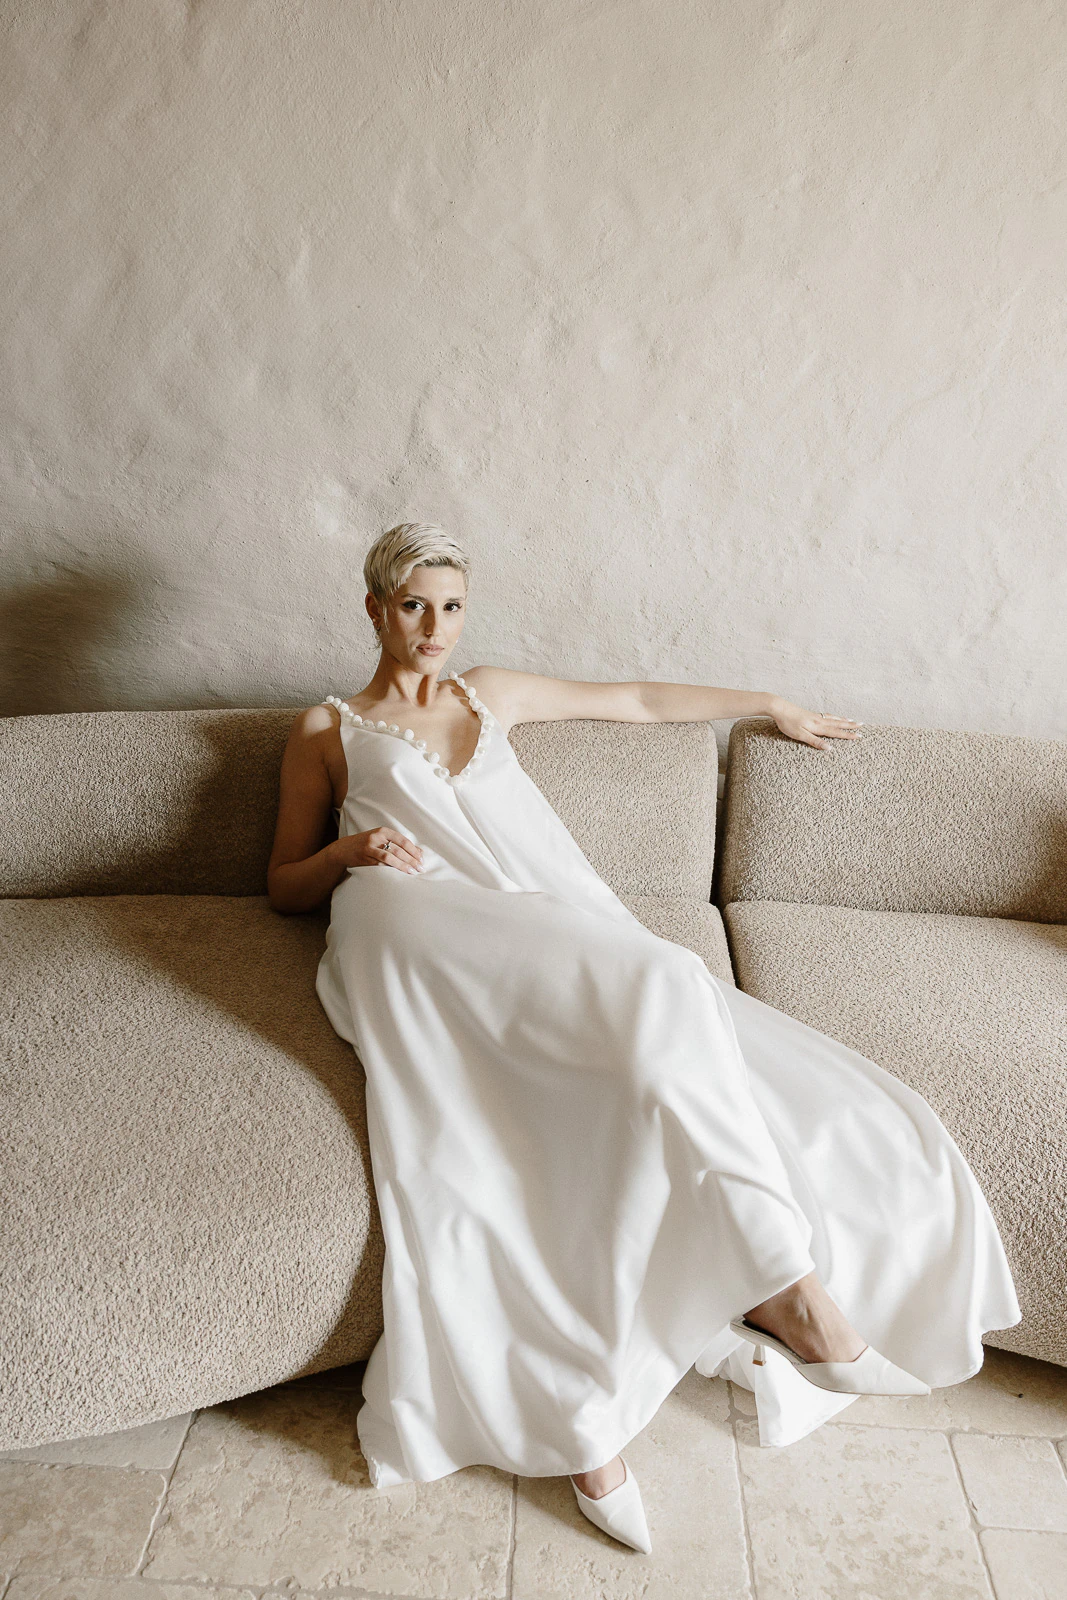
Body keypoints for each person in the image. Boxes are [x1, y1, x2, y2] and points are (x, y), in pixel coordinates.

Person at [267, 522, 1021, 1554]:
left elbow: (631, 699)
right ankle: (772, 1301)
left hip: (534, 925)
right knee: (630, 1005)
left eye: (448, 604)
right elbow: (281, 883)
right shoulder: (324, 727)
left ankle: (761, 1295)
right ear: (372, 610)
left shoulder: (491, 691)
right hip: (403, 923)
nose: (432, 627)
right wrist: (353, 846)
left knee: (659, 998)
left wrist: (765, 702)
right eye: (411, 605)